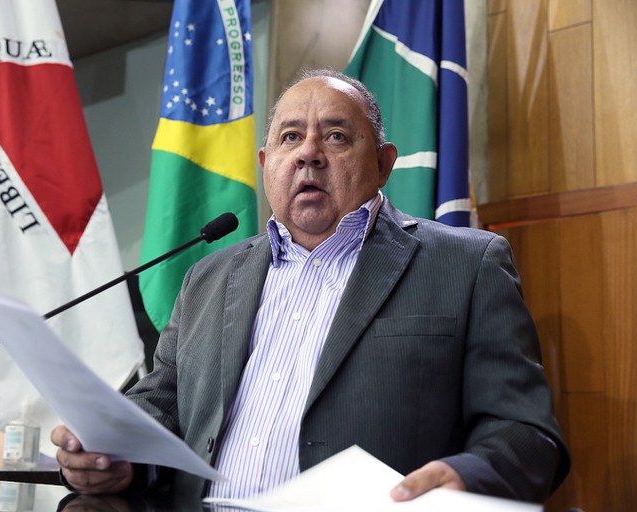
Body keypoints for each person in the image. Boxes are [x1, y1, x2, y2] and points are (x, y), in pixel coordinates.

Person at [52, 69, 570, 504]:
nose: (309, 154)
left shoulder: (467, 265)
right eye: (290, 137)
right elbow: (161, 407)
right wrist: (114, 457)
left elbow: (525, 432)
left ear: (384, 164)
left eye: (337, 136)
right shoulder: (208, 277)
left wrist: (469, 477)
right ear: (266, 164)